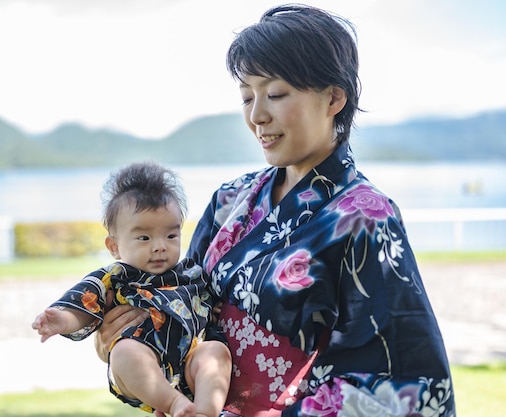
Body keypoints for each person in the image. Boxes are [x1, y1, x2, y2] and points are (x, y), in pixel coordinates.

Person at [93, 4, 456, 417]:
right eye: (247, 96)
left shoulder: (366, 217)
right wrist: (125, 336)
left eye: (276, 94)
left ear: (335, 96)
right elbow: (181, 303)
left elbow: (411, 383)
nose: (256, 115)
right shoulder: (230, 199)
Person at [32, 161, 231, 417]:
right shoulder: (116, 277)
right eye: (144, 238)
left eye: (171, 236)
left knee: (216, 352)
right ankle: (173, 403)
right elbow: (85, 302)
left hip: (190, 361)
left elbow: (214, 301)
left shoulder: (190, 273)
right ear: (114, 247)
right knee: (125, 352)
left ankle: (203, 412)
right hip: (143, 368)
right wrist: (62, 318)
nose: (160, 246)